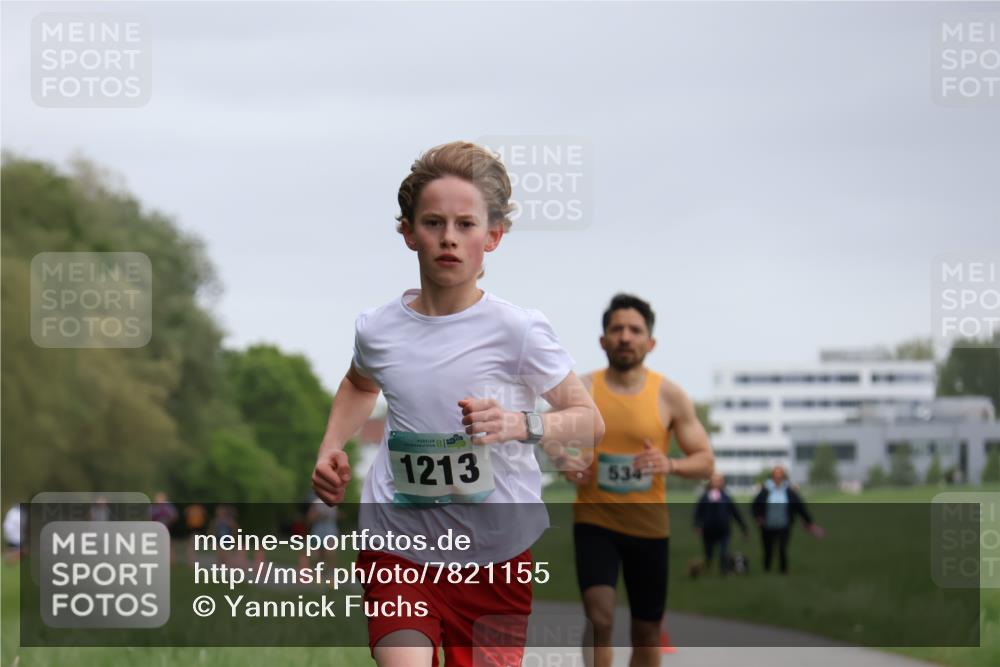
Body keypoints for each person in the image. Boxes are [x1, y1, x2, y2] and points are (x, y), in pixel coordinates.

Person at [310, 141, 604, 667]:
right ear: (408, 232)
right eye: (433, 222)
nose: (449, 237)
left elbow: (589, 421)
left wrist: (519, 423)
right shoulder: (378, 329)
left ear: (492, 236)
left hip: (494, 557)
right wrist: (331, 446)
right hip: (398, 547)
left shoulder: (519, 331)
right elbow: (359, 384)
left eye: (466, 224)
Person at [565, 293, 714, 667]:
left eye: (635, 330)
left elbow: (705, 462)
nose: (625, 337)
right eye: (617, 329)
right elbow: (549, 438)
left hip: (649, 528)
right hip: (595, 523)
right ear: (603, 340)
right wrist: (566, 461)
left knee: (646, 633)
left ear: (651, 342)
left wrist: (669, 464)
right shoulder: (581, 390)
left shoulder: (670, 395)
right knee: (599, 618)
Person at [751, 466, 824, 574]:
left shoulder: (789, 491)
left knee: (782, 548)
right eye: (776, 475)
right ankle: (767, 569)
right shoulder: (765, 490)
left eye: (780, 475)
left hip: (784, 525)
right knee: (768, 549)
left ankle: (783, 570)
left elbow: (800, 507)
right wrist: (758, 517)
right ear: (772, 477)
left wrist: (809, 522)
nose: (778, 478)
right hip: (767, 525)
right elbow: (755, 505)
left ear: (783, 477)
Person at [694, 473, 748, 576]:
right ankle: (708, 569)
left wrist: (744, 528)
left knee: (723, 552)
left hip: (724, 529)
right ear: (710, 483)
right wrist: (697, 525)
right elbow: (698, 512)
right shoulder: (704, 497)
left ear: (723, 483)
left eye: (719, 480)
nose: (717, 483)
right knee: (708, 553)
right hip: (708, 530)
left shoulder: (727, 497)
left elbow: (735, 513)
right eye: (715, 480)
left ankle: (723, 571)